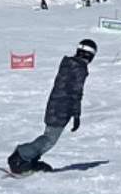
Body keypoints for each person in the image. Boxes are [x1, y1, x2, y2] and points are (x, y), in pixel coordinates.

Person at [6, 39, 95, 176]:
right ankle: (20, 158)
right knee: (49, 139)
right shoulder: (80, 68)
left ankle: (30, 159)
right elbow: (76, 93)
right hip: (62, 108)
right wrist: (77, 115)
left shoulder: (68, 63)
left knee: (48, 137)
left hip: (54, 104)